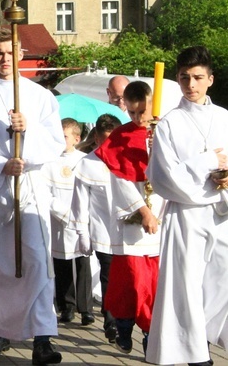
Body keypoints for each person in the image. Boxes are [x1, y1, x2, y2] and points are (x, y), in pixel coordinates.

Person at [0, 28, 65, 365]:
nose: (4, 59)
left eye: (10, 52)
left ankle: (43, 337)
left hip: (29, 188)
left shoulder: (40, 96)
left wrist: (27, 134)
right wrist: (0, 166)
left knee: (34, 261)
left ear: (20, 53)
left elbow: (56, 143)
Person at [146, 46, 228, 366]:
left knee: (221, 280)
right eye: (184, 78)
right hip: (187, 214)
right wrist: (208, 163)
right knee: (187, 285)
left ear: (210, 79)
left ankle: (208, 336)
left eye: (197, 78)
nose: (190, 85)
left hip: (222, 212)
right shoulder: (169, 123)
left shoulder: (225, 117)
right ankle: (197, 356)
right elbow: (164, 177)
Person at [92, 81, 163, 357]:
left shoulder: (163, 129)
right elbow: (118, 178)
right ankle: (124, 324)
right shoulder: (121, 135)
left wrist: (161, 147)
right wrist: (142, 211)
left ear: (151, 102)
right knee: (132, 280)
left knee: (154, 281)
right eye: (131, 113)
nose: (137, 119)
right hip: (134, 218)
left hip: (162, 212)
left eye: (141, 112)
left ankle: (150, 332)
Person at [70, 113, 123, 344]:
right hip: (103, 230)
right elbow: (80, 202)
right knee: (109, 275)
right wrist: (82, 232)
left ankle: (128, 320)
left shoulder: (132, 157)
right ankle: (111, 320)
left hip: (129, 231)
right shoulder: (87, 163)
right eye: (104, 141)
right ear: (96, 140)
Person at [44, 118, 94, 327]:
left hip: (81, 218)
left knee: (83, 263)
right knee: (62, 263)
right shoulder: (49, 160)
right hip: (59, 219)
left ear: (76, 138)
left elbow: (91, 191)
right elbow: (44, 191)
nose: (60, 140)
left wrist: (82, 215)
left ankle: (86, 309)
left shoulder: (85, 160)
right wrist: (63, 212)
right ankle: (66, 306)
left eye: (65, 136)